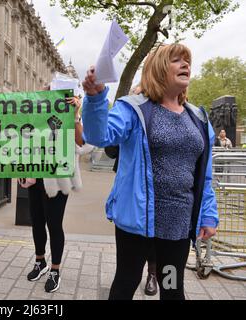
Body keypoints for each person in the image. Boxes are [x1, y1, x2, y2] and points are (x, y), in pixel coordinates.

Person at [82, 43, 218, 300]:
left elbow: (204, 175)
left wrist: (208, 215)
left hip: (177, 224)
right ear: (158, 70)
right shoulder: (133, 109)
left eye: (187, 61)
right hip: (137, 222)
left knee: (172, 286)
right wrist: (96, 98)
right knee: (126, 282)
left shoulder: (198, 118)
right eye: (176, 60)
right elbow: (99, 136)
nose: (185, 65)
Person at [24, 89, 93, 293]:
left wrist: (75, 114)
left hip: (58, 180)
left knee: (54, 224)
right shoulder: (35, 118)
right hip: (35, 178)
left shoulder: (69, 117)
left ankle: (55, 270)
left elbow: (83, 145)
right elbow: (23, 144)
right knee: (37, 222)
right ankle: (40, 262)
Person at [104, 85, 158, 296]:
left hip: (172, 216)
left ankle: (153, 273)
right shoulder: (128, 113)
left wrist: (207, 214)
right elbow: (108, 146)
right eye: (135, 94)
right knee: (127, 276)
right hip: (133, 198)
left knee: (172, 280)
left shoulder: (186, 114)